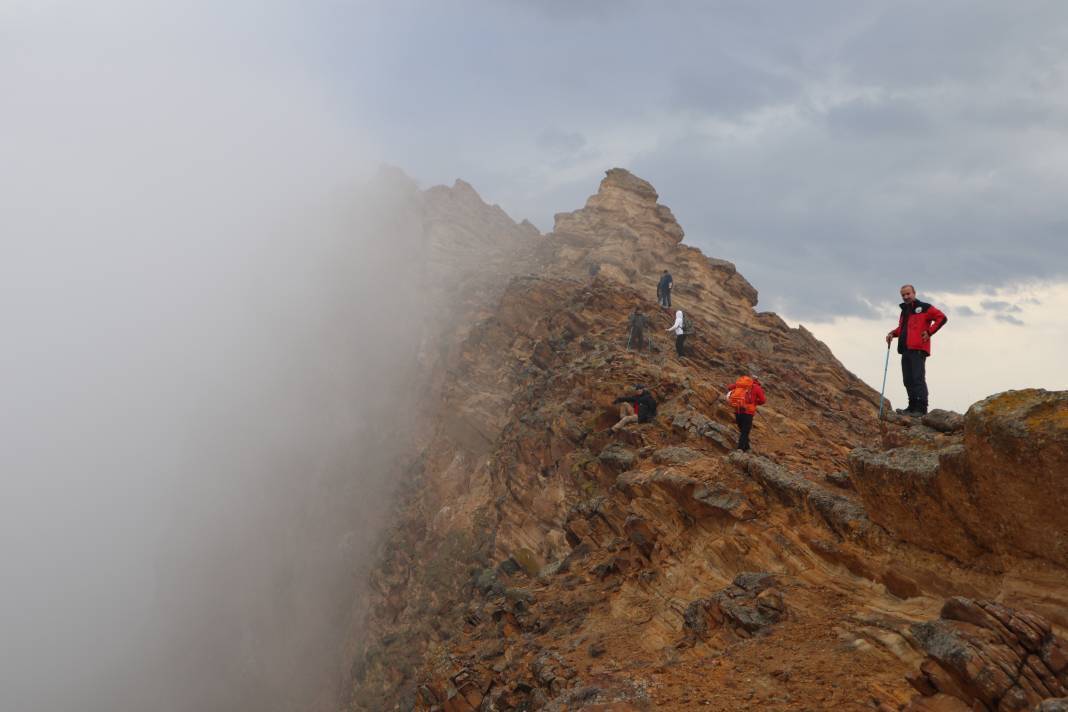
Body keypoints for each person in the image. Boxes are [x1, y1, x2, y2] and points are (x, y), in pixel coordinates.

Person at [885, 284, 948, 416]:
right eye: (903, 295)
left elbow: (942, 318)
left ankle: (921, 409)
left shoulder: (925, 307)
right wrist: (892, 333)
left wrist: (929, 332)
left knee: (917, 378)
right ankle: (912, 407)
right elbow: (902, 329)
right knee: (907, 379)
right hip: (905, 349)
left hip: (918, 348)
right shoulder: (904, 311)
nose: (906, 297)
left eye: (908, 294)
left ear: (914, 293)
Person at [724, 375, 766, 452]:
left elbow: (729, 388)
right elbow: (763, 400)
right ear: (757, 381)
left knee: (743, 430)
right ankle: (740, 449)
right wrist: (755, 402)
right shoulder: (757, 387)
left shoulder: (740, 385)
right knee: (745, 431)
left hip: (737, 410)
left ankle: (747, 448)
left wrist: (738, 387)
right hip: (748, 412)